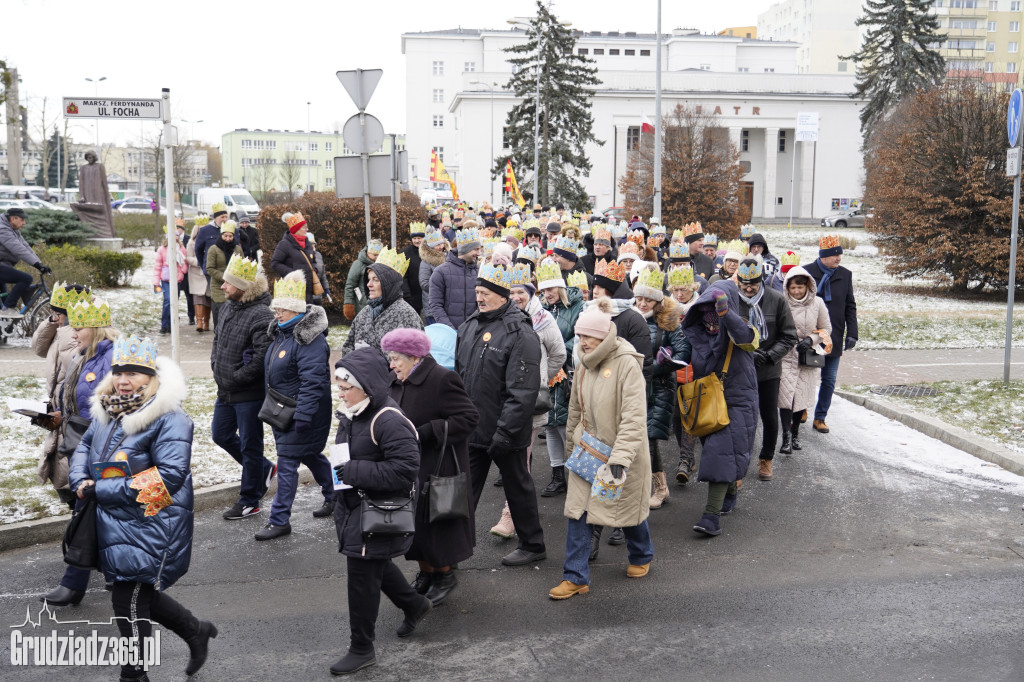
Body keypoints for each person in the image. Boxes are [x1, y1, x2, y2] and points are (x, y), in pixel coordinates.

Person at [68, 337, 216, 680]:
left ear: (152, 378)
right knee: (137, 591)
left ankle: (134, 674)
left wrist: (101, 489)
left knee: (129, 599)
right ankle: (196, 631)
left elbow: (170, 477)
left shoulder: (169, 418)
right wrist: (79, 479)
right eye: (119, 372)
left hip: (153, 519)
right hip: (113, 518)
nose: (123, 380)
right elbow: (84, 446)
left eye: (134, 373)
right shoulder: (108, 407)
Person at [330, 346, 430, 676]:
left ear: (367, 386)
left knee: (361, 578)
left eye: (346, 388)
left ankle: (362, 648)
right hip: (355, 505)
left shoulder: (388, 420)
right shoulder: (355, 412)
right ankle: (415, 604)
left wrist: (355, 472)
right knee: (373, 563)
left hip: (377, 508)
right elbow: (345, 458)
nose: (341, 394)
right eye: (339, 387)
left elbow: (404, 471)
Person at [549, 299, 653, 600]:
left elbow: (634, 418)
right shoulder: (582, 362)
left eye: (586, 336)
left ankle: (642, 554)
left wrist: (620, 458)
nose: (580, 342)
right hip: (587, 452)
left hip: (621, 452)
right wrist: (571, 448)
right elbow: (575, 410)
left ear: (604, 335)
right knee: (579, 513)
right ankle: (575, 577)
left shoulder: (627, 364)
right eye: (579, 336)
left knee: (625, 510)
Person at [455, 263, 546, 567]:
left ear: (500, 295)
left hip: (505, 431)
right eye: (477, 292)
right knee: (462, 491)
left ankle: (533, 544)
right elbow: (460, 375)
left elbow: (523, 390)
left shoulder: (520, 332)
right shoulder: (469, 326)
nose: (478, 298)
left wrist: (505, 432)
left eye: (484, 293)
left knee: (517, 487)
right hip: (472, 428)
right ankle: (450, 549)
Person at [382, 328, 479, 606]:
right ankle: (426, 573)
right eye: (390, 358)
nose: (391, 364)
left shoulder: (442, 379)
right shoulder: (395, 380)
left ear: (414, 358)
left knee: (435, 526)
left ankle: (444, 575)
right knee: (413, 527)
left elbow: (469, 418)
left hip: (437, 466)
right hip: (408, 467)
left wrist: (428, 431)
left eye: (396, 359)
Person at [40, 298, 118, 607]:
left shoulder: (114, 358)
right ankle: (112, 574)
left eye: (80, 327)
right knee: (97, 512)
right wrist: (53, 416)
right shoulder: (81, 356)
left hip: (104, 448)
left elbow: (118, 407)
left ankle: (75, 582)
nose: (73, 334)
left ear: (97, 329)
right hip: (80, 443)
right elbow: (73, 401)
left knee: (87, 511)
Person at [257, 271, 335, 540]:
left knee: (288, 463)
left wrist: (303, 416)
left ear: (295, 310)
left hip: (301, 413)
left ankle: (279, 520)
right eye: (276, 308)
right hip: (285, 412)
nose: (276, 313)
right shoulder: (283, 334)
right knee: (312, 454)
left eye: (281, 309)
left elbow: (314, 383)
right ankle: (335, 495)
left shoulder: (309, 340)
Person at [490, 265, 566, 534]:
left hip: (529, 403)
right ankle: (523, 512)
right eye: (510, 292)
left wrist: (540, 379)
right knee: (511, 458)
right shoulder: (498, 316)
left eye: (520, 291)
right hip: (501, 399)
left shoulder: (543, 319)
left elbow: (559, 354)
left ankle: (510, 515)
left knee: (521, 458)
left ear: (530, 293)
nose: (515, 297)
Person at [681, 281, 759, 537]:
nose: (711, 323)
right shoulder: (699, 334)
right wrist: (669, 357)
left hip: (738, 399)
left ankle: (711, 516)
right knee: (721, 453)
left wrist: (727, 315)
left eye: (716, 316)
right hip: (709, 401)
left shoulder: (742, 329)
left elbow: (748, 340)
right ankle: (731, 491)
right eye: (706, 316)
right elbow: (685, 354)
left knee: (720, 451)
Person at [212, 255, 278, 520]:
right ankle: (264, 469)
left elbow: (263, 357)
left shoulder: (261, 313)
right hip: (225, 390)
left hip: (247, 393)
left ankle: (250, 499)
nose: (224, 287)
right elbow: (217, 342)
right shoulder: (227, 308)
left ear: (242, 287)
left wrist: (237, 376)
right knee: (221, 435)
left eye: (228, 283)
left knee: (251, 446)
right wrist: (216, 365)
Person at [632, 265, 691, 509]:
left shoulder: (670, 322)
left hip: (658, 388)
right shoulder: (630, 318)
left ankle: (659, 488)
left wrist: (652, 368)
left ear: (658, 301)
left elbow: (683, 351)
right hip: (632, 386)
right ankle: (647, 486)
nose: (643, 303)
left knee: (648, 437)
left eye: (649, 299)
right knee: (636, 437)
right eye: (640, 298)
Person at [735, 256, 797, 481]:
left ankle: (766, 459)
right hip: (739, 368)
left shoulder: (776, 299)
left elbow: (789, 336)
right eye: (744, 284)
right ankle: (738, 465)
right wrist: (747, 354)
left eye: (753, 283)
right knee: (740, 420)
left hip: (768, 369)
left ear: (761, 280)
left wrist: (769, 355)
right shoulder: (733, 300)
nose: (749, 288)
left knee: (769, 416)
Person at [31, 284, 90, 508]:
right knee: (61, 467)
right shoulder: (58, 330)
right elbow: (38, 347)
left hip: (73, 414)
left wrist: (67, 327)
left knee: (71, 470)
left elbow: (72, 360)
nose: (54, 318)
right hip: (59, 409)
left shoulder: (75, 335)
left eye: (57, 314)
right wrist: (51, 323)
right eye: (52, 314)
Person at [536, 260, 583, 499]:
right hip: (548, 372)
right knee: (551, 425)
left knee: (568, 426)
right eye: (542, 290)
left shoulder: (578, 306)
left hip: (569, 374)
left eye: (550, 289)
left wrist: (555, 350)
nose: (546, 294)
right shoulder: (542, 309)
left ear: (560, 288)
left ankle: (577, 474)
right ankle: (557, 476)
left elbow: (581, 337)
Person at [803, 235, 858, 434]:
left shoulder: (845, 274)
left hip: (834, 335)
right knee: (807, 374)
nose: (839, 258)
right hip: (812, 335)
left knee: (829, 379)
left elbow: (850, 305)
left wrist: (853, 332)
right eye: (835, 255)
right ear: (824, 256)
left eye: (840, 254)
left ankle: (820, 417)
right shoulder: (806, 272)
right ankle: (801, 408)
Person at [778, 266, 832, 455]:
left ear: (807, 286)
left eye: (800, 287)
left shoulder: (817, 303)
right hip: (786, 354)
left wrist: (811, 340)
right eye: (792, 288)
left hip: (806, 356)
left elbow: (826, 328)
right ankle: (785, 437)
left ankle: (795, 434)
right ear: (787, 288)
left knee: (799, 396)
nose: (797, 291)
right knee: (786, 397)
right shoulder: (781, 302)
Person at [343, 248, 423, 356]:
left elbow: (412, 360)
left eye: (375, 280)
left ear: (388, 284)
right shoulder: (363, 314)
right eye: (369, 279)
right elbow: (348, 348)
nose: (368, 284)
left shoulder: (406, 315)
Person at [666, 266, 702, 484]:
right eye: (677, 289)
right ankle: (687, 458)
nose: (680, 294)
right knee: (676, 419)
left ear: (693, 289)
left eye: (685, 289)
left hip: (695, 370)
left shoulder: (701, 309)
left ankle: (685, 461)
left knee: (688, 417)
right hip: (672, 370)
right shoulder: (667, 309)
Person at [271, 212, 329, 308]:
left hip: (308, 291)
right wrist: (293, 275)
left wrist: (315, 269)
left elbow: (313, 261)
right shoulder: (284, 244)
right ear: (296, 229)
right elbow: (275, 263)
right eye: (304, 227)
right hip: (293, 290)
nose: (307, 229)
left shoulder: (308, 244)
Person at [428, 228, 482, 330]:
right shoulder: (440, 272)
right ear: (465, 249)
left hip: (474, 332)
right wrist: (450, 330)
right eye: (476, 249)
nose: (479, 253)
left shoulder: (480, 272)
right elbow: (435, 305)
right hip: (451, 332)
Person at [0, 207, 50, 316]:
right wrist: (37, 265)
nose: (24, 223)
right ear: (13, 219)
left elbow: (25, 246)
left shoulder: (13, 229)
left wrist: (39, 263)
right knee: (26, 278)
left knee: (4, 304)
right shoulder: (3, 229)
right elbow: (18, 249)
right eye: (22, 220)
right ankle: (9, 308)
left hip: (4, 265)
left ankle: (4, 328)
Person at [205, 220, 243, 328]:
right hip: (219, 286)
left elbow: (241, 265)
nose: (227, 238)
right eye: (225, 236)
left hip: (234, 285)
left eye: (230, 236)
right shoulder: (214, 249)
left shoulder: (237, 249)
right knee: (220, 313)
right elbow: (210, 268)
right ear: (221, 235)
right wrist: (226, 278)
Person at [153, 229, 188, 335]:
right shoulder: (162, 249)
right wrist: (156, 281)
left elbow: (184, 263)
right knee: (168, 300)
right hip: (166, 279)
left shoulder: (181, 249)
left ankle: (172, 324)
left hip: (177, 279)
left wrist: (182, 272)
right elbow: (157, 266)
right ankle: (164, 325)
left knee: (174, 302)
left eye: (176, 236)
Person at [343, 239, 382, 321]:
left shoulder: (382, 264)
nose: (376, 257)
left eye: (378, 255)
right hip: (362, 305)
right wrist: (348, 304)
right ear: (368, 253)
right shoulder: (358, 264)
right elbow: (350, 285)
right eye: (374, 255)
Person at [418, 226, 449, 323]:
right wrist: (441, 286)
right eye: (437, 245)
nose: (440, 247)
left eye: (441, 244)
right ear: (431, 247)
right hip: (432, 305)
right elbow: (424, 283)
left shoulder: (448, 257)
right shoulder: (426, 262)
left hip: (447, 304)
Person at [186, 219, 212, 333]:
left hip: (207, 272)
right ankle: (199, 322)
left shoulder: (211, 241)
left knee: (208, 297)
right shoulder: (191, 242)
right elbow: (188, 257)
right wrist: (198, 261)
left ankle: (207, 321)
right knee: (198, 297)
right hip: (196, 273)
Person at [195, 202, 228, 276]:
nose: (224, 219)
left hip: (227, 270)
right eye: (222, 217)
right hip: (211, 270)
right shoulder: (205, 230)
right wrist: (205, 265)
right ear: (215, 218)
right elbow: (198, 250)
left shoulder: (232, 230)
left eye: (226, 217)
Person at [401, 222, 425, 316]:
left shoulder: (429, 252)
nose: (416, 241)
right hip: (411, 296)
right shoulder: (405, 253)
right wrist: (407, 295)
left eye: (419, 238)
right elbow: (403, 275)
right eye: (414, 238)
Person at [175, 219, 195, 327]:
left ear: (182, 229)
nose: (176, 231)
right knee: (175, 296)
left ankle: (191, 316)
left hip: (186, 272)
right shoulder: (171, 239)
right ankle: (174, 316)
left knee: (189, 296)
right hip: (175, 272)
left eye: (178, 228)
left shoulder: (188, 239)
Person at [306, 231, 332, 303]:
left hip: (317, 295)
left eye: (313, 244)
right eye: (309, 244)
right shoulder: (302, 256)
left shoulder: (318, 255)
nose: (312, 246)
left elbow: (322, 275)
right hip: (305, 296)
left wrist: (326, 288)